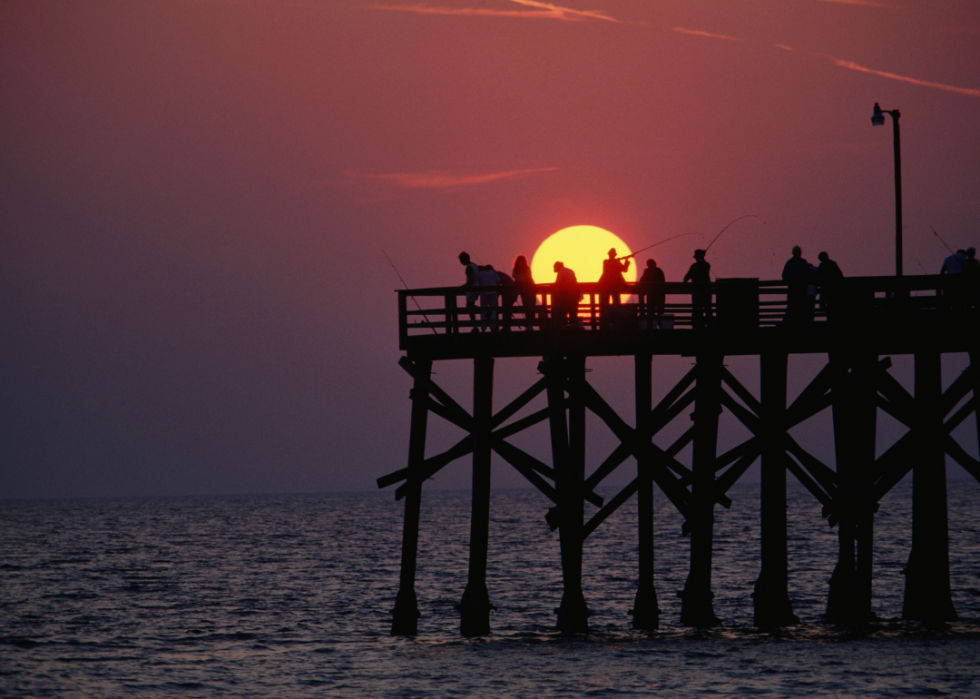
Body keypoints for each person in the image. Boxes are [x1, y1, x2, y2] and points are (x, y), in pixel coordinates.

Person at [599, 248, 630, 329]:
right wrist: (626, 262)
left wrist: (625, 261)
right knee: (615, 305)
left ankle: (606, 326)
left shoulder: (608, 262)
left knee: (606, 305)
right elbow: (624, 269)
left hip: (606, 287)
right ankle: (616, 325)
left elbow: (623, 269)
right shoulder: (610, 262)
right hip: (614, 286)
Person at [781, 245, 812, 325]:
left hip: (795, 290)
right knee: (800, 306)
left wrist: (791, 281)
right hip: (799, 290)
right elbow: (808, 274)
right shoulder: (803, 262)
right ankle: (802, 322)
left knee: (793, 306)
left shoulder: (790, 263)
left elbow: (784, 276)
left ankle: (793, 322)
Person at [683, 249, 712, 329]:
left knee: (696, 308)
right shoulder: (707, 265)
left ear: (696, 257)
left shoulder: (694, 266)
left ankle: (697, 325)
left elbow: (686, 277)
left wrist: (685, 283)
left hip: (697, 289)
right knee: (707, 308)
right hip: (707, 289)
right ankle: (710, 325)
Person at [638, 258, 666, 327]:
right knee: (659, 310)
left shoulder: (647, 271)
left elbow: (642, 280)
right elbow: (663, 281)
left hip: (652, 294)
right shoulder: (658, 270)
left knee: (651, 310)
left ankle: (652, 326)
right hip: (659, 294)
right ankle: (660, 325)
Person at [552, 261, 580, 328]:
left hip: (565, 295)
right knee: (573, 312)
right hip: (574, 294)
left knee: (563, 311)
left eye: (554, 267)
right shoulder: (569, 270)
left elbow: (558, 283)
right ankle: (573, 325)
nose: (553, 269)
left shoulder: (561, 272)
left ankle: (564, 326)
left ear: (557, 266)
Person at [512, 255, 536, 331]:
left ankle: (530, 324)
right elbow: (516, 279)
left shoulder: (527, 269)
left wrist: (521, 282)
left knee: (531, 307)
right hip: (524, 290)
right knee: (526, 307)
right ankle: (529, 324)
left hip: (531, 289)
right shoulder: (515, 270)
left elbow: (528, 278)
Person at [815, 251, 843, 315]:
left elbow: (818, 275)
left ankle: (827, 313)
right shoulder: (833, 264)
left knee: (823, 303)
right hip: (833, 288)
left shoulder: (822, 265)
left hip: (826, 287)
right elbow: (840, 275)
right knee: (832, 304)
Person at [475, 264, 501, 331]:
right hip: (494, 292)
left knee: (483, 310)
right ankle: (493, 327)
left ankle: (483, 327)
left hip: (484, 293)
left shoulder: (479, 274)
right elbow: (499, 281)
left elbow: (477, 284)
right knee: (493, 310)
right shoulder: (492, 272)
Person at [458, 252, 480, 331]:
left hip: (472, 289)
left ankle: (475, 325)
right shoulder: (475, 265)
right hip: (476, 288)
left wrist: (462, 287)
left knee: (469, 308)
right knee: (470, 307)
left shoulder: (469, 267)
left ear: (465, 259)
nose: (461, 262)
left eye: (461, 260)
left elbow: (471, 280)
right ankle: (476, 325)